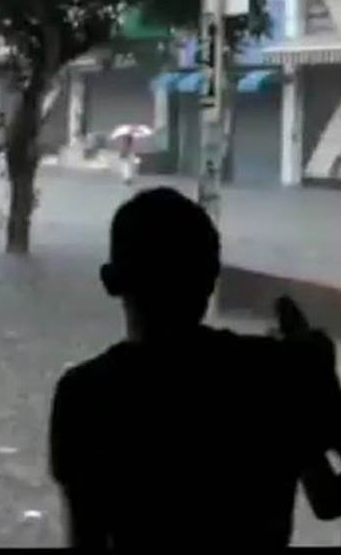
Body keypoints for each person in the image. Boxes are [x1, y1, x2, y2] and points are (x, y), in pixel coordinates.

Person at [49, 187, 341, 549]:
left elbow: (86, 538)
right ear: (212, 277)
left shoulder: (85, 396)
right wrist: (319, 383)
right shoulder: (274, 375)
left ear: (110, 281)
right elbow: (328, 501)